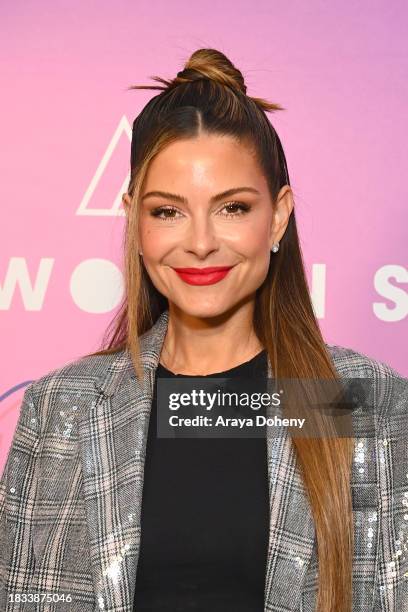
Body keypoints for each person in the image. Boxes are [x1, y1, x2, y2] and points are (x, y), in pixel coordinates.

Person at [0, 48, 407, 612]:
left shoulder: (357, 400)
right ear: (134, 218)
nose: (199, 242)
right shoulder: (62, 408)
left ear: (279, 215)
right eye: (167, 211)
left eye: (232, 208)